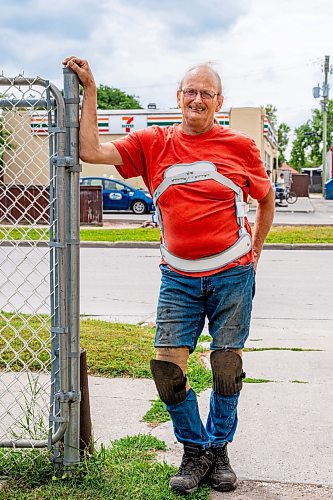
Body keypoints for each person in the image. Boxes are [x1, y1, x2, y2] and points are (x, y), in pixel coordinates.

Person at [63, 56, 275, 495]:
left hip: (232, 274)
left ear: (220, 102)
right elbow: (91, 152)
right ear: (179, 98)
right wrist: (90, 93)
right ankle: (193, 450)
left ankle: (218, 450)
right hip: (178, 277)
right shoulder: (152, 142)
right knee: (166, 367)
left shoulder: (241, 147)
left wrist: (256, 251)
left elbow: (266, 199)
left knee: (226, 363)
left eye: (207, 93)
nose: (198, 99)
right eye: (190, 92)